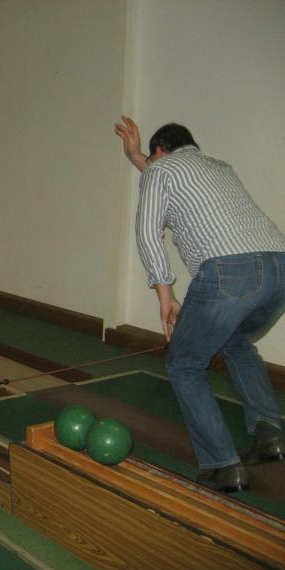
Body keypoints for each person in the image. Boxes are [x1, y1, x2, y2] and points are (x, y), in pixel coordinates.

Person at [114, 116, 285, 492]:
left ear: (160, 151)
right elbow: (166, 176)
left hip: (230, 272)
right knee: (237, 342)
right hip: (278, 268)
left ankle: (222, 466)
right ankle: (269, 434)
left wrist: (165, 295)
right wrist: (135, 155)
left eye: (150, 158)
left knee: (184, 365)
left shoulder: (160, 170)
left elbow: (148, 233)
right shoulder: (219, 167)